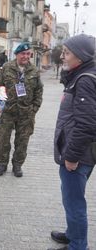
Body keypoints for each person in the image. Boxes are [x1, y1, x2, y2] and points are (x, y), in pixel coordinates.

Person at [48, 34, 96, 250]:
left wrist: (71, 157)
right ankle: (72, 234)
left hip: (78, 154)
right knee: (71, 199)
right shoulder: (82, 75)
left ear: (80, 56)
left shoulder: (85, 79)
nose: (63, 57)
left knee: (75, 202)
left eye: (67, 53)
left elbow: (86, 124)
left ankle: (78, 245)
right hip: (81, 151)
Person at [0, 42, 43, 177]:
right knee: (3, 139)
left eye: (28, 54)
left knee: (22, 141)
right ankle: (2, 164)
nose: (26, 56)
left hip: (26, 113)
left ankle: (17, 165)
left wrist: (34, 109)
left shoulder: (34, 71)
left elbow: (39, 91)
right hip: (7, 111)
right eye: (23, 54)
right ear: (17, 54)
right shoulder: (6, 68)